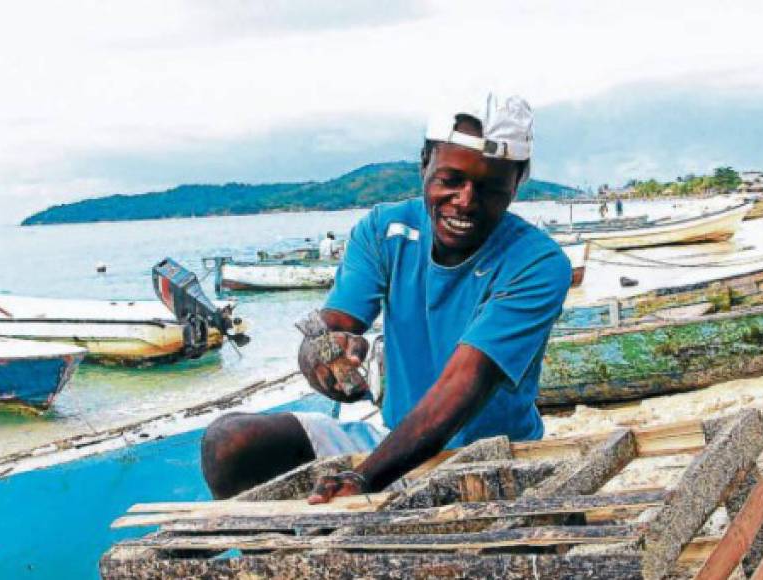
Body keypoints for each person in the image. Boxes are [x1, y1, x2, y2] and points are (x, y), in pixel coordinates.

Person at [200, 94, 572, 502]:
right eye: (450, 181)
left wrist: (365, 478)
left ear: (516, 184)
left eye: (490, 189)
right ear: (425, 163)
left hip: (492, 459)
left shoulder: (538, 262)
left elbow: (466, 384)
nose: (465, 201)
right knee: (228, 441)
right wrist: (323, 358)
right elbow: (331, 327)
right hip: (393, 440)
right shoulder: (384, 230)